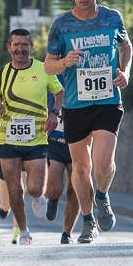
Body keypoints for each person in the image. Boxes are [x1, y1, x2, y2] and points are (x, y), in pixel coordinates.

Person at [45, 0, 132, 244]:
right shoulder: (61, 25)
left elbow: (126, 47)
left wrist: (125, 71)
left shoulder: (112, 18)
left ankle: (103, 196)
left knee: (103, 163)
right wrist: (64, 62)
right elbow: (48, 66)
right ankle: (87, 220)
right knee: (81, 169)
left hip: (107, 100)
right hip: (75, 105)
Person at [0, 28, 62, 245]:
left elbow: (59, 92)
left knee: (35, 188)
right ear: (9, 47)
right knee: (14, 190)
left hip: (36, 139)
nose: (20, 49)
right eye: (16, 45)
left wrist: (55, 113)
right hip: (9, 139)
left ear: (31, 47)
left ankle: (38, 196)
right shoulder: (1, 75)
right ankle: (24, 231)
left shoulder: (44, 69)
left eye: (24, 45)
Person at [45, 86, 80, 244]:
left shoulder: (83, 73)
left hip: (78, 141)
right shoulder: (52, 76)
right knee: (54, 187)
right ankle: (53, 198)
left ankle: (67, 233)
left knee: (76, 190)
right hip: (55, 141)